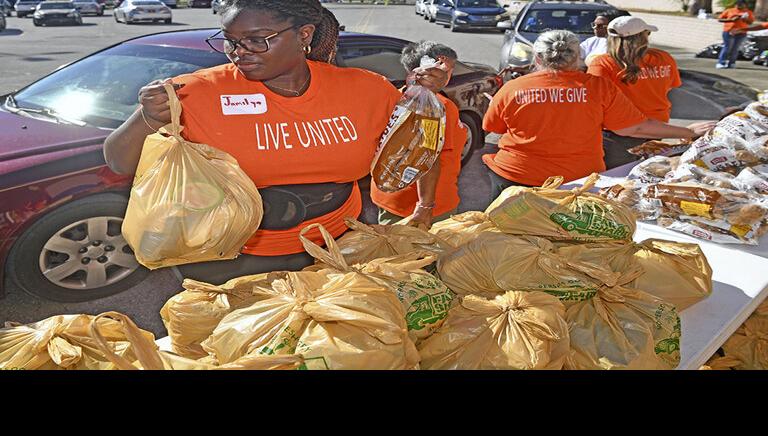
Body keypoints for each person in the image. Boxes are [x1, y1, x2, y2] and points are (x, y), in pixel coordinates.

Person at [102, 0, 450, 284]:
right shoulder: (196, 92)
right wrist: (147, 117)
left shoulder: (366, 89)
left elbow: (419, 150)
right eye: (231, 40)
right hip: (226, 262)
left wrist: (425, 207)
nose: (239, 52)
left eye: (258, 39)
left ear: (304, 34)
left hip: (338, 251)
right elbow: (118, 160)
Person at [482, 30, 716, 200]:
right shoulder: (599, 87)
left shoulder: (513, 88)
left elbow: (494, 127)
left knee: (507, 240)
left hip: (515, 177)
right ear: (577, 58)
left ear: (538, 59)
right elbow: (633, 128)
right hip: (576, 181)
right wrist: (687, 131)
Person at [370, 41, 467, 227]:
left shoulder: (393, 98)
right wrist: (425, 206)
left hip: (389, 196)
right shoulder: (439, 108)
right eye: (450, 68)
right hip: (425, 208)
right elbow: (427, 157)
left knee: (392, 254)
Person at [587, 16, 694, 168]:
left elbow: (595, 101)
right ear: (643, 37)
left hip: (617, 134)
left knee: (615, 180)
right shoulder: (664, 58)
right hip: (658, 130)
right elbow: (669, 87)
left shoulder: (602, 64)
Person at [716, 0, 754, 69]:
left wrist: (745, 19)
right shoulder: (729, 10)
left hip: (741, 33)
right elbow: (719, 19)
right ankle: (721, 63)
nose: (739, 6)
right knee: (727, 47)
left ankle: (732, 63)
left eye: (741, 4)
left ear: (745, 5)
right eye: (737, 4)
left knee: (735, 49)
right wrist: (731, 20)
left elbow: (750, 22)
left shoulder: (748, 12)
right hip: (729, 31)